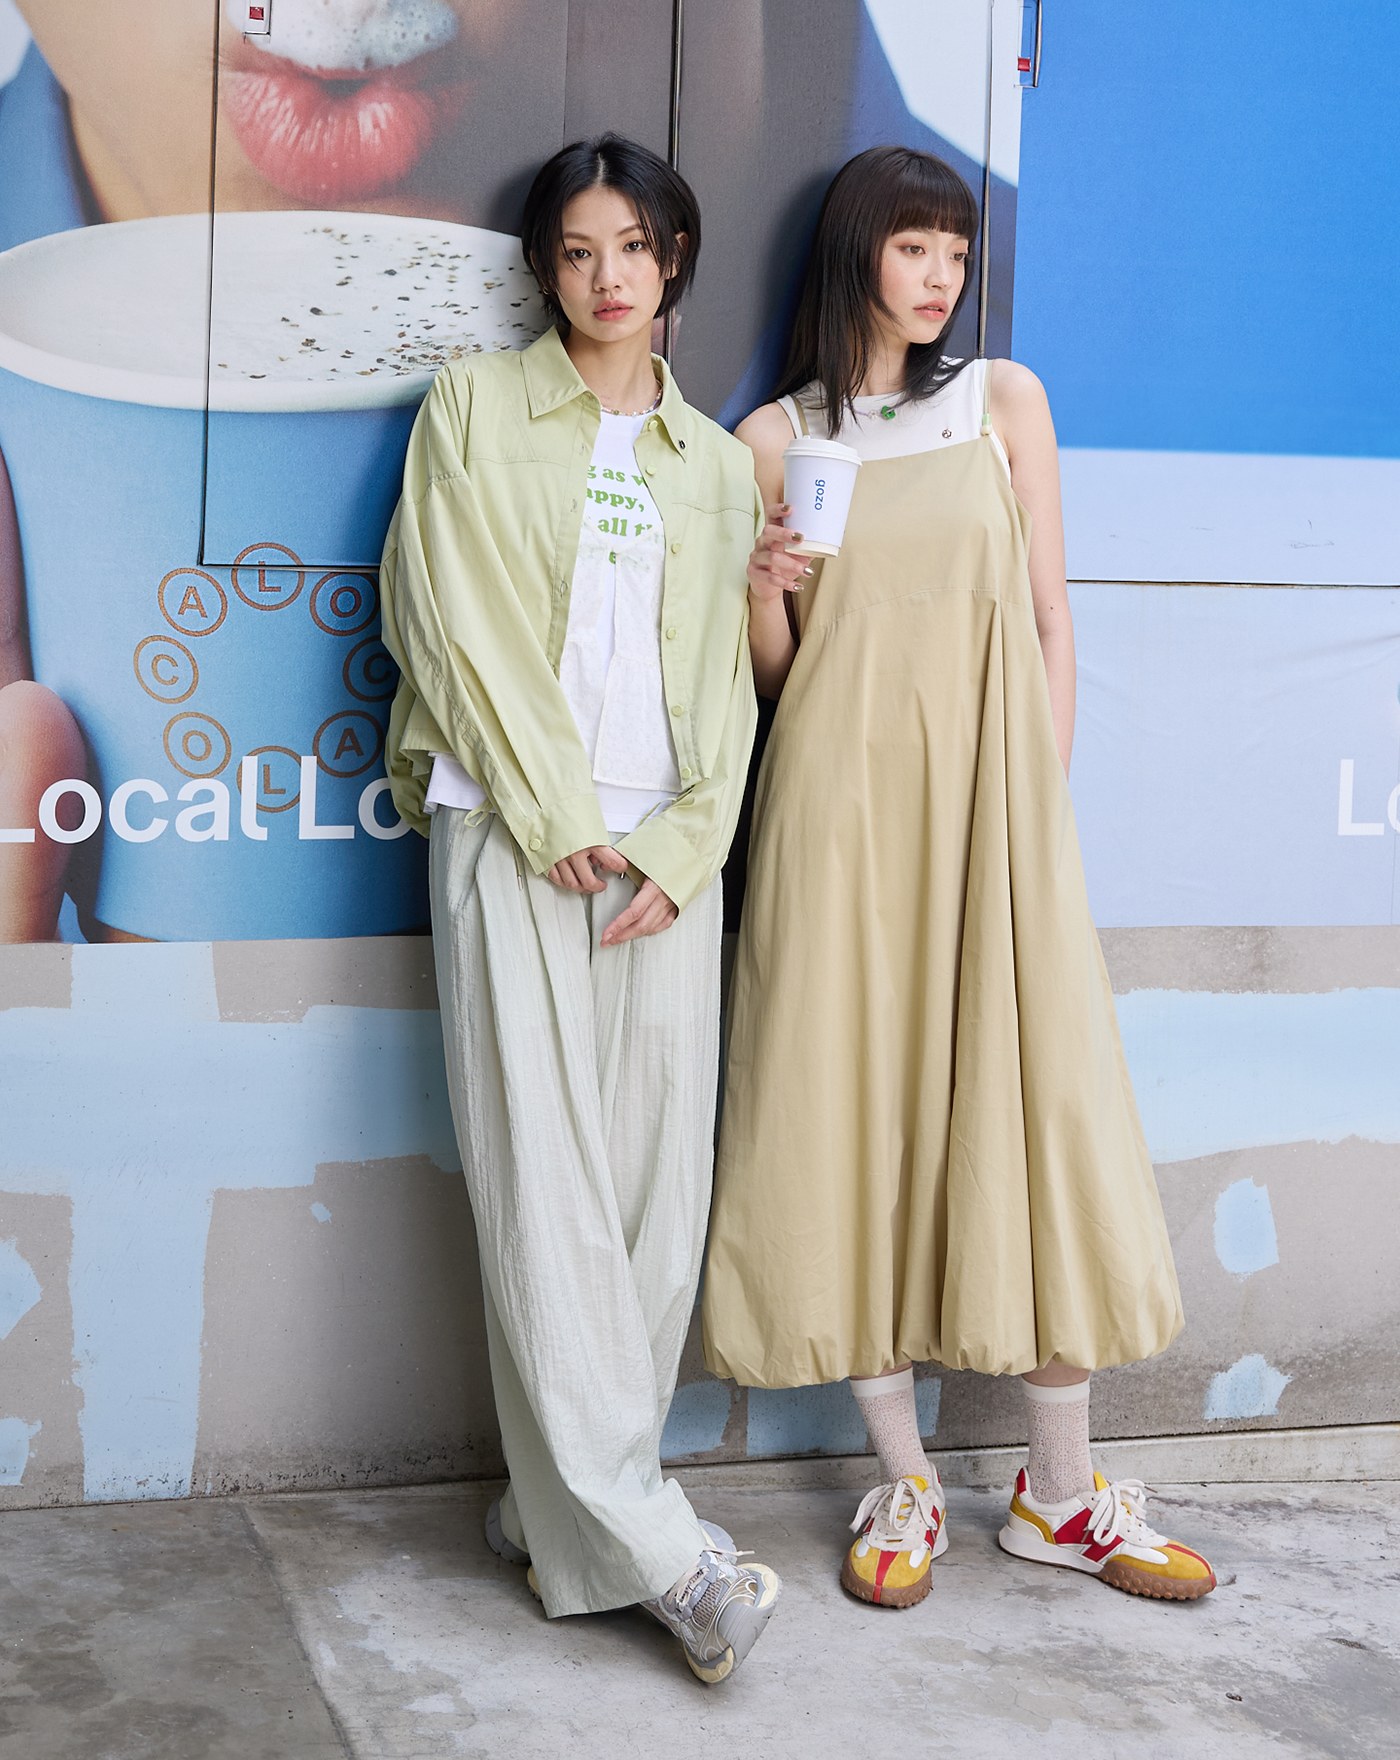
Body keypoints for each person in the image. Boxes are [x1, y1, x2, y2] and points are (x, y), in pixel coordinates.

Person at [702, 145, 1216, 1610]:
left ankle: (1060, 1493)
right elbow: (783, 683)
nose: (941, 278)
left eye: (956, 254)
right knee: (847, 1114)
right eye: (915, 248)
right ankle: (907, 1480)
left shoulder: (1003, 402)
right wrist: (760, 593)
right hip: (838, 818)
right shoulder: (771, 439)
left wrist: (1036, 803)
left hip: (997, 814)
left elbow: (1051, 618)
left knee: (1041, 1117)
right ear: (856, 253)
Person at [378, 133, 779, 1683]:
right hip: (514, 834)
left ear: (674, 259)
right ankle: (665, 1559)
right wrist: (552, 815)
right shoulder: (475, 408)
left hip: (660, 867)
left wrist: (684, 851)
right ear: (546, 269)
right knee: (543, 1187)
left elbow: (727, 693)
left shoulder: (719, 464)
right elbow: (447, 613)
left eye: (633, 247)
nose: (607, 277)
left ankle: (557, 1511)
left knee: (651, 1203)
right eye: (575, 250)